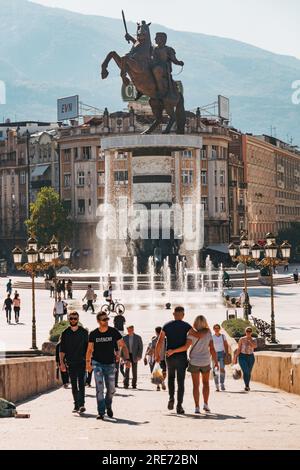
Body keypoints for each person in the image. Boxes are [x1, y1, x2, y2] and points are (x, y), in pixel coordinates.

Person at [155, 306, 205, 415]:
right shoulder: (186, 325)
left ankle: (171, 398)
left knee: (171, 378)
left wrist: (157, 355)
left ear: (173, 314)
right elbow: (198, 335)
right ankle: (179, 406)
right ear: (183, 315)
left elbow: (159, 341)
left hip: (169, 356)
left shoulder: (166, 325)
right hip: (181, 357)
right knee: (180, 381)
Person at [167, 315, 218, 414]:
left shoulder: (191, 334)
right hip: (205, 361)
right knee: (206, 383)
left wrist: (173, 351)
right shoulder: (208, 333)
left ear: (195, 323)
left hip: (194, 361)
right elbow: (211, 348)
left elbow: (185, 347)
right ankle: (206, 404)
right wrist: (216, 361)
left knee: (196, 385)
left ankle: (197, 407)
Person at [86, 312, 131, 420]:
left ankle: (108, 405)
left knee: (111, 389)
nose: (106, 321)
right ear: (98, 321)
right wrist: (88, 363)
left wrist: (127, 359)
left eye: (107, 319)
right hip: (97, 364)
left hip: (110, 364)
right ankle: (101, 412)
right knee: (99, 388)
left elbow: (123, 345)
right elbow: (89, 349)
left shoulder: (113, 332)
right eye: (103, 319)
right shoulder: (93, 334)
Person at [60, 312, 89, 413]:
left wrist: (89, 362)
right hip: (71, 363)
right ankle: (76, 404)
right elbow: (62, 350)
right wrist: (61, 363)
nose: (73, 320)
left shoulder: (84, 332)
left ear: (78, 319)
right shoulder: (65, 333)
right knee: (73, 384)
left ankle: (81, 405)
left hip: (82, 362)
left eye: (75, 318)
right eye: (71, 318)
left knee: (81, 383)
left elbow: (89, 348)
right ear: (68, 319)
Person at [151, 32, 184, 99]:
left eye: (157, 38)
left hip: (163, 69)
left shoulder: (168, 49)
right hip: (154, 67)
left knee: (157, 70)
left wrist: (179, 62)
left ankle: (161, 90)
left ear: (162, 39)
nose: (155, 39)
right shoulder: (154, 49)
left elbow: (174, 60)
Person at [234, 327, 257, 392]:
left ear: (251, 332)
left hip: (251, 357)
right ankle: (246, 385)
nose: (248, 332)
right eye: (247, 331)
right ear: (245, 332)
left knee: (249, 372)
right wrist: (236, 357)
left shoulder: (254, 339)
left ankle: (247, 385)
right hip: (242, 356)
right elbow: (239, 348)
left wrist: (250, 342)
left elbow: (255, 346)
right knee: (245, 371)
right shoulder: (242, 339)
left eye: (250, 331)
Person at [144, 327, 167, 391]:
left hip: (157, 358)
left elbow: (151, 349)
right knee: (163, 372)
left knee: (158, 373)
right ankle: (159, 384)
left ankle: (161, 383)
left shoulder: (163, 340)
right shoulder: (158, 340)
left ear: (156, 332)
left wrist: (146, 355)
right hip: (162, 358)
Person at [212, 324, 229, 391]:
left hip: (222, 353)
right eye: (215, 328)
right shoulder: (212, 337)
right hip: (214, 354)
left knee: (222, 369)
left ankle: (222, 383)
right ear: (213, 329)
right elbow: (210, 347)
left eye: (217, 328)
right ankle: (217, 385)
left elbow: (226, 345)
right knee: (215, 370)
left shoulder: (223, 336)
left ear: (219, 329)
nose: (216, 329)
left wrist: (227, 353)